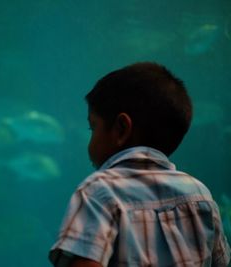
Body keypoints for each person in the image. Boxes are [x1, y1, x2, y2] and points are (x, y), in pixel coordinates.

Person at [49, 62, 231, 267]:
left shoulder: (98, 192)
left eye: (93, 127)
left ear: (121, 129)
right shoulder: (200, 195)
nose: (90, 139)